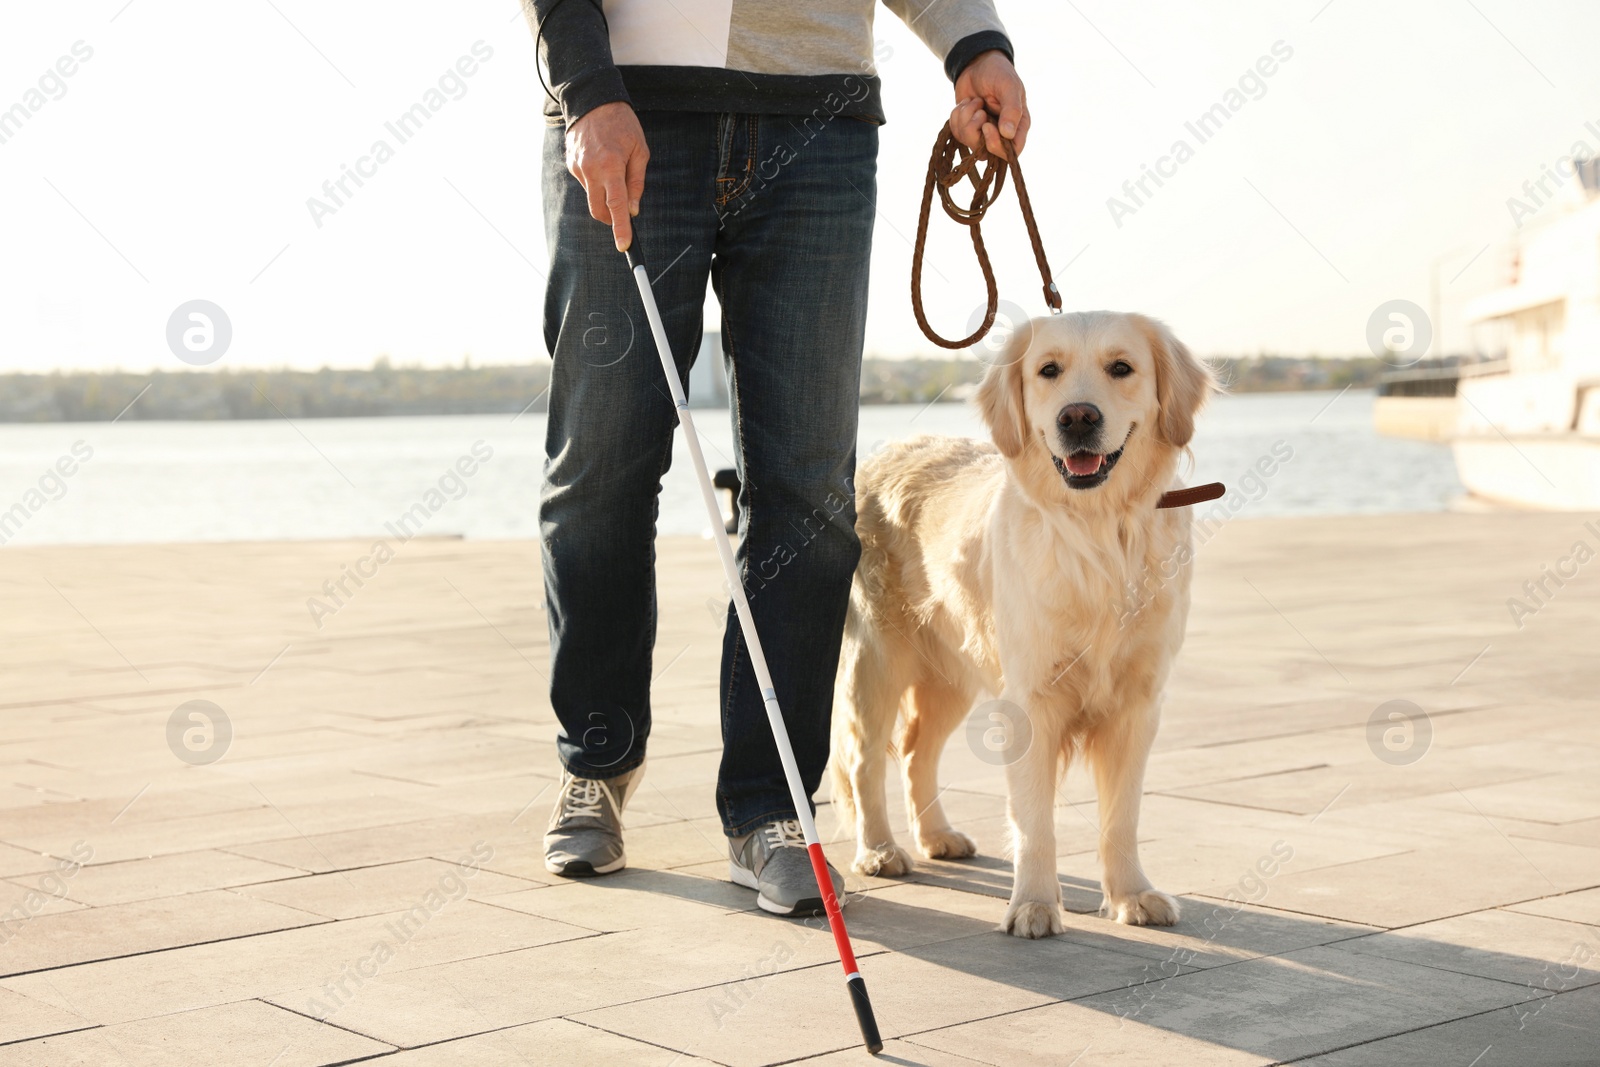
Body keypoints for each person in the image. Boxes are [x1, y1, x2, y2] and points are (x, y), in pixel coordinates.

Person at [529, 0, 1031, 917]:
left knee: (807, 495)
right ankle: (598, 763)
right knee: (598, 467)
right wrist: (586, 89)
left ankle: (771, 810)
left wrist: (975, 47)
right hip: (628, 108)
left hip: (820, 126)